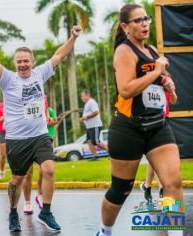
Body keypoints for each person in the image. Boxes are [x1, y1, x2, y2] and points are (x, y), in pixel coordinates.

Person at [0, 25, 82, 232]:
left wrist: (73, 37)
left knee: (49, 169)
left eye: (26, 61)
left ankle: (46, 212)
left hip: (40, 135)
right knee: (18, 178)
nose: (23, 65)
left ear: (32, 62)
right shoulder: (8, 79)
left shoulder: (40, 73)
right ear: (15, 64)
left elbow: (60, 54)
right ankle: (13, 212)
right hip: (17, 139)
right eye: (19, 62)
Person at [95, 4, 182, 236]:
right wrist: (156, 72)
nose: (145, 23)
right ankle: (105, 230)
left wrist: (167, 85)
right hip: (128, 128)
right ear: (125, 26)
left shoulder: (152, 50)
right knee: (120, 190)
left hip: (157, 126)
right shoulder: (124, 51)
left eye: (146, 19)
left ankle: (174, 231)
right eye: (138, 20)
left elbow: (159, 81)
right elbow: (125, 89)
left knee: (172, 183)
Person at [140, 74, 178, 201]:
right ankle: (160, 188)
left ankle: (148, 186)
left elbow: (174, 100)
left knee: (155, 157)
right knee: (156, 155)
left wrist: (171, 91)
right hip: (151, 119)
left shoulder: (166, 81)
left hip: (164, 120)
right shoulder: (149, 80)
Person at [79, 90, 108, 161]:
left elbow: (96, 112)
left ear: (87, 95)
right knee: (89, 141)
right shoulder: (87, 104)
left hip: (95, 125)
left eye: (82, 96)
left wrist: (86, 117)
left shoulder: (92, 102)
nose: (81, 98)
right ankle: (95, 156)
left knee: (96, 141)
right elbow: (89, 112)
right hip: (89, 127)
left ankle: (112, 153)